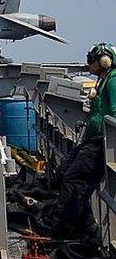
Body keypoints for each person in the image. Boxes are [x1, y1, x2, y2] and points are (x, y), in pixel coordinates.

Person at [45, 43, 116, 240]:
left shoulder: (113, 81)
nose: (89, 64)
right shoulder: (103, 80)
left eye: (91, 60)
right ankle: (85, 227)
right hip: (91, 140)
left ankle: (65, 230)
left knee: (74, 180)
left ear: (104, 61)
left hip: (101, 144)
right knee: (64, 173)